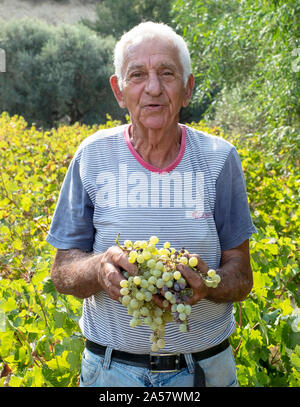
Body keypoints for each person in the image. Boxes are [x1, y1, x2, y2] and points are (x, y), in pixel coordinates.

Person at [46, 21, 257, 387]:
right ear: (119, 89)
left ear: (188, 88)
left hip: (205, 371)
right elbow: (62, 270)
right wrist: (100, 268)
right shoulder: (91, 156)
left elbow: (241, 275)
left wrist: (209, 282)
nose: (153, 88)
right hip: (110, 373)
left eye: (167, 73)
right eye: (138, 75)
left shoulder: (220, 159)